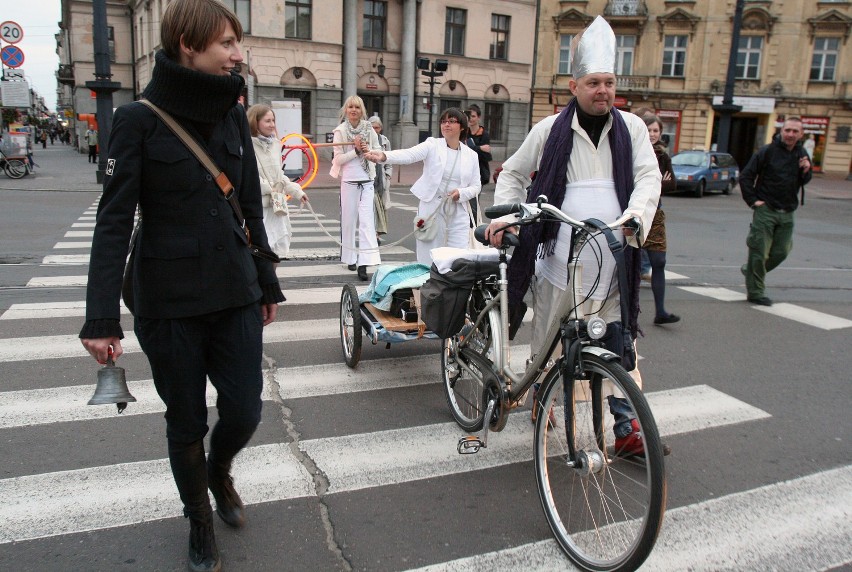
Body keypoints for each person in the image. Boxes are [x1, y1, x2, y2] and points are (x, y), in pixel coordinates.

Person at [78, 1, 285, 570]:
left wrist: (266, 282)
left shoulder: (230, 113)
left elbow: (249, 207)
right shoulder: (137, 120)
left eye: (236, 43)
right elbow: (114, 220)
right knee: (186, 419)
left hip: (235, 292)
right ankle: (198, 519)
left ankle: (219, 469)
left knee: (244, 410)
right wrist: (100, 319)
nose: (237, 54)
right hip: (168, 302)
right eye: (225, 43)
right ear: (187, 46)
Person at [485, 16, 661, 455]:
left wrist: (636, 216)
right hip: (559, 262)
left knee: (621, 347)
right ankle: (540, 406)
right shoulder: (549, 131)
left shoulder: (633, 129)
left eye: (609, 82)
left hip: (613, 260)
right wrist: (508, 218)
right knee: (546, 343)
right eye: (594, 82)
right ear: (574, 85)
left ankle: (627, 429)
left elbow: (647, 178)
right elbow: (511, 176)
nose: (603, 90)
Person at [365, 108, 481, 266]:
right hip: (432, 209)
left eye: (452, 121)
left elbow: (476, 186)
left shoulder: (471, 155)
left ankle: (453, 289)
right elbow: (410, 154)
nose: (446, 125)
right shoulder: (432, 145)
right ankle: (427, 287)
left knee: (458, 259)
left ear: (462, 127)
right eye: (443, 121)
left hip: (458, 212)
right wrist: (384, 156)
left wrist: (461, 193)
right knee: (429, 258)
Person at [739, 117, 811, 306]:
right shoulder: (767, 151)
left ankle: (750, 270)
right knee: (759, 252)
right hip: (766, 210)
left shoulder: (802, 153)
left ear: (801, 134)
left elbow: (804, 180)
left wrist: (806, 170)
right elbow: (746, 176)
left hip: (788, 211)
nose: (791, 134)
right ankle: (756, 292)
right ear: (781, 131)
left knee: (781, 252)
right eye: (788, 130)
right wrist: (754, 201)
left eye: (795, 131)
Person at [330, 95, 382, 281]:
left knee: (367, 222)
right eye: (350, 107)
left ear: (362, 110)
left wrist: (369, 151)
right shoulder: (340, 131)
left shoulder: (369, 129)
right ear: (346, 110)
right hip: (348, 182)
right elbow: (337, 159)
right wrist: (356, 151)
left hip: (367, 182)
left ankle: (364, 263)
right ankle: (350, 257)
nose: (353, 110)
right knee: (349, 221)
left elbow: (378, 150)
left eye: (357, 107)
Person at [247, 103, 308, 259]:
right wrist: (269, 188)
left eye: (273, 120)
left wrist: (297, 191)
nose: (272, 125)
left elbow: (279, 175)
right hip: (260, 207)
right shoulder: (247, 145)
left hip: (277, 206)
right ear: (256, 122)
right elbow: (250, 176)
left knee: (276, 252)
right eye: (267, 121)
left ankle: (272, 282)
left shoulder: (275, 144)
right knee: (261, 249)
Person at [642, 114, 680, 325]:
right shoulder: (633, 152)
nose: (653, 134)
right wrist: (659, 181)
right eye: (648, 130)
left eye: (656, 130)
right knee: (625, 264)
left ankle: (660, 312)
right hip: (634, 213)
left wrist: (659, 184)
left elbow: (672, 183)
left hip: (655, 212)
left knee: (659, 261)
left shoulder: (663, 156)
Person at [465, 104, 492, 222]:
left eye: (473, 116)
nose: (471, 119)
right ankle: (466, 225)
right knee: (465, 201)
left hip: (480, 172)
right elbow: (463, 150)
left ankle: (474, 227)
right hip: (465, 171)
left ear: (478, 118)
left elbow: (486, 156)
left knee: (473, 200)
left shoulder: (484, 134)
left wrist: (472, 148)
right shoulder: (464, 133)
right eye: (469, 116)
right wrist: (480, 148)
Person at [369, 115, 392, 244]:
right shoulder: (367, 140)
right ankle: (374, 235)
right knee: (372, 208)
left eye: (377, 127)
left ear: (380, 128)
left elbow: (389, 159)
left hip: (382, 181)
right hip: (370, 180)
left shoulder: (384, 141)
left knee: (381, 209)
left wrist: (388, 175)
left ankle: (377, 232)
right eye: (372, 127)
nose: (375, 130)